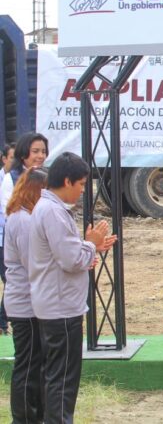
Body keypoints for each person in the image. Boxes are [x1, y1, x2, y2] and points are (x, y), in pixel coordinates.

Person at [28, 152, 117, 424]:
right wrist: (90, 244)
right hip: (60, 305)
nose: (81, 191)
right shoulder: (53, 211)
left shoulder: (49, 208)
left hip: (55, 302)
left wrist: (90, 247)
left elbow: (67, 254)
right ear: (66, 181)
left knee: (56, 374)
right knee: (63, 378)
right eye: (80, 184)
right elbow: (69, 260)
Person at [4, 167, 47, 422]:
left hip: (29, 299)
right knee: (27, 364)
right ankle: (23, 417)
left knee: (33, 362)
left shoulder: (23, 217)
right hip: (25, 302)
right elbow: (34, 262)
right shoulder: (23, 220)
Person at [0, 132, 48, 209]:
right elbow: (7, 211)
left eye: (44, 152)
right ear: (22, 154)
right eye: (35, 151)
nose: (41, 156)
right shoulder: (10, 178)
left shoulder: (48, 176)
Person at [0, 142, 15, 336]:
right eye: (12, 158)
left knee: (10, 280)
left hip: (6, 240)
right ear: (4, 158)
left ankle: (2, 322)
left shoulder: (18, 180)